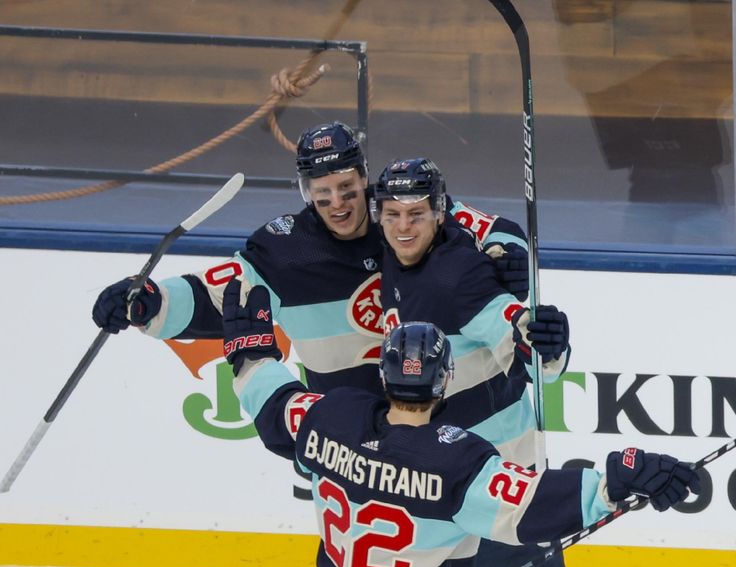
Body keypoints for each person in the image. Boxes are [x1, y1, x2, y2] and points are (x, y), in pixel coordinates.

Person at [221, 302, 700, 567]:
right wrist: (618, 480)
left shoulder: (327, 417)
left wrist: (251, 358)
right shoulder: (455, 462)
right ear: (445, 379)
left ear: (384, 374)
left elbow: (272, 403)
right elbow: (531, 506)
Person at [92, 122, 529, 396]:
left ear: (364, 178)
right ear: (306, 192)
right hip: (350, 434)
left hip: (444, 419)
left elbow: (495, 227)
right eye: (322, 195)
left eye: (347, 189)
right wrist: (147, 301)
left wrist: (510, 253)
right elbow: (219, 293)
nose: (337, 204)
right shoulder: (287, 250)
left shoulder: (403, 212)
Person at [371, 157, 575, 567]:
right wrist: (507, 242)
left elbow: (516, 333)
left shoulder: (458, 276)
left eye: (416, 215)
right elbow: (494, 225)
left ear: (438, 212)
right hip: (446, 473)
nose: (404, 226)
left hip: (497, 467)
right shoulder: (397, 239)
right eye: (393, 215)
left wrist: (545, 343)